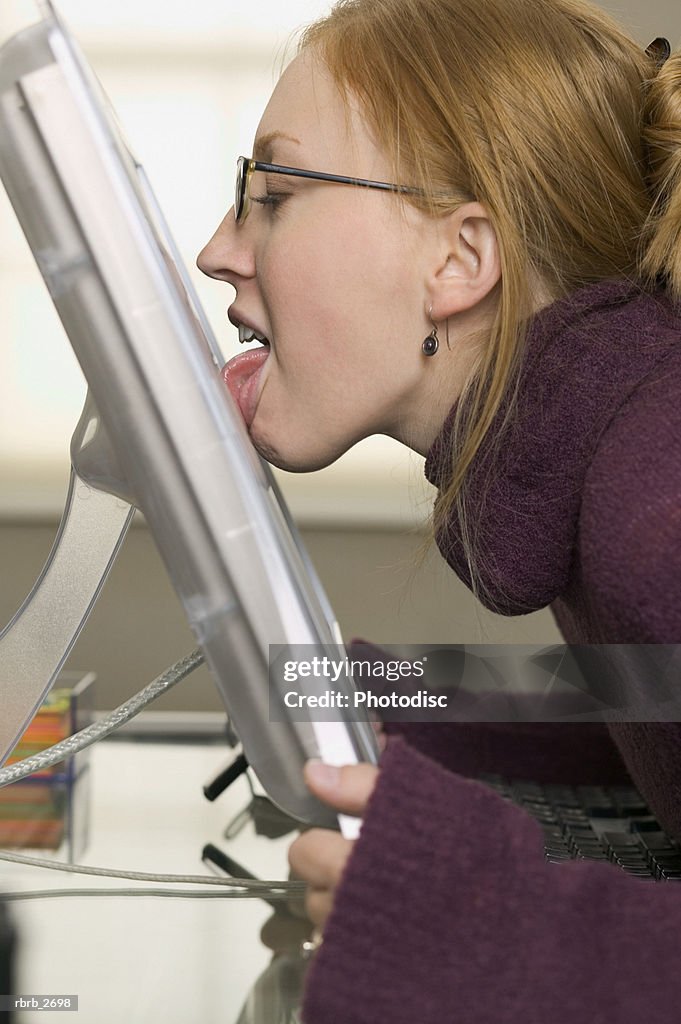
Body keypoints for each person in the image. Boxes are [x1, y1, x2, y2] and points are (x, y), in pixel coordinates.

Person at [197, 0, 681, 1020]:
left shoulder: (659, 504)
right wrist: (421, 710)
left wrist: (482, 912)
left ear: (460, 261)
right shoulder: (615, 451)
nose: (217, 251)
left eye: (274, 195)